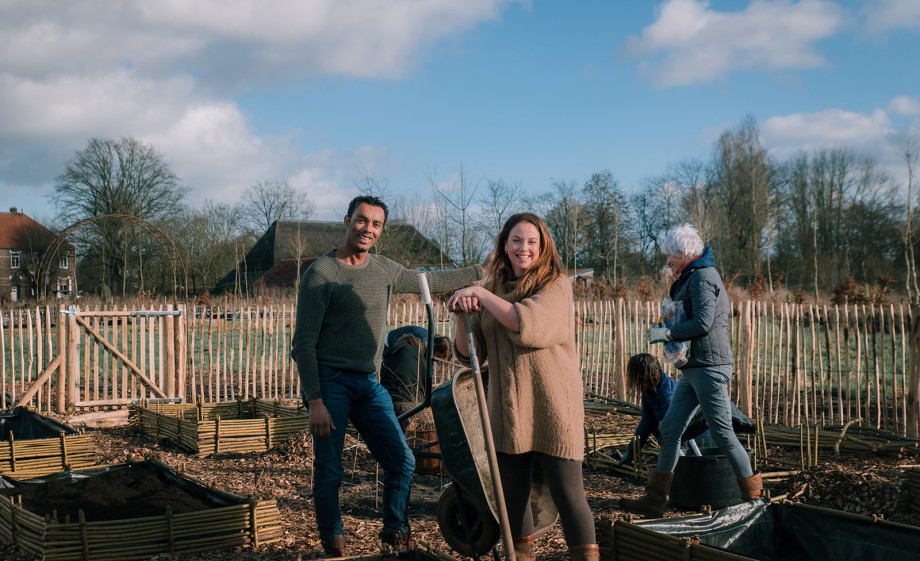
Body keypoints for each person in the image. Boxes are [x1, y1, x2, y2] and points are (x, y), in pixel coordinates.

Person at [290, 195, 483, 557]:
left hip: (368, 384)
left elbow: (430, 279)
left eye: (376, 224)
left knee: (402, 461)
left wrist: (480, 271)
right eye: (362, 221)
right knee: (330, 471)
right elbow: (303, 343)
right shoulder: (321, 274)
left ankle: (395, 534)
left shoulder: (384, 270)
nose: (368, 229)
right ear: (347, 221)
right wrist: (314, 400)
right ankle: (335, 545)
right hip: (330, 384)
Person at [447, 212, 599, 561]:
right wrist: (461, 313)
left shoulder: (556, 286)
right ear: (504, 244)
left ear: (543, 246)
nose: (524, 248)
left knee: (567, 493)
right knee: (512, 497)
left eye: (532, 241)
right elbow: (469, 353)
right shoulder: (494, 288)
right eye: (516, 240)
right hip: (508, 408)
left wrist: (479, 296)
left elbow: (526, 325)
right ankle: (521, 556)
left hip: (551, 405)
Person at [619, 224, 762, 518]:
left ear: (683, 253)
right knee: (670, 428)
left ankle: (754, 501)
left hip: (710, 367)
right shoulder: (692, 275)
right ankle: (655, 499)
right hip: (694, 367)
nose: (668, 261)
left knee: (722, 433)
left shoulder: (702, 278)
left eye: (670, 256)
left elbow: (703, 323)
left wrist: (667, 334)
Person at [617, 353, 676, 466]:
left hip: (689, 438)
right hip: (669, 434)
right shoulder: (649, 389)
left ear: (645, 374)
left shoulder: (667, 394)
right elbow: (647, 422)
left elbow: (669, 430)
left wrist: (663, 452)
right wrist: (631, 452)